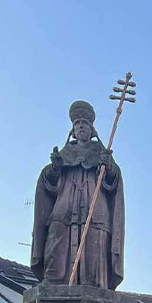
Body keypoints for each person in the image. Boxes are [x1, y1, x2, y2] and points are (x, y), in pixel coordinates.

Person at [31, 101, 125, 289]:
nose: (81, 126)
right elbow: (49, 186)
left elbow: (112, 184)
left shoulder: (101, 154)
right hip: (64, 208)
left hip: (95, 210)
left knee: (94, 245)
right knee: (56, 237)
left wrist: (109, 168)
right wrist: (55, 169)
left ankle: (93, 285)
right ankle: (54, 283)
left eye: (84, 123)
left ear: (92, 129)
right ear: (73, 130)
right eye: (77, 123)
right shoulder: (64, 154)